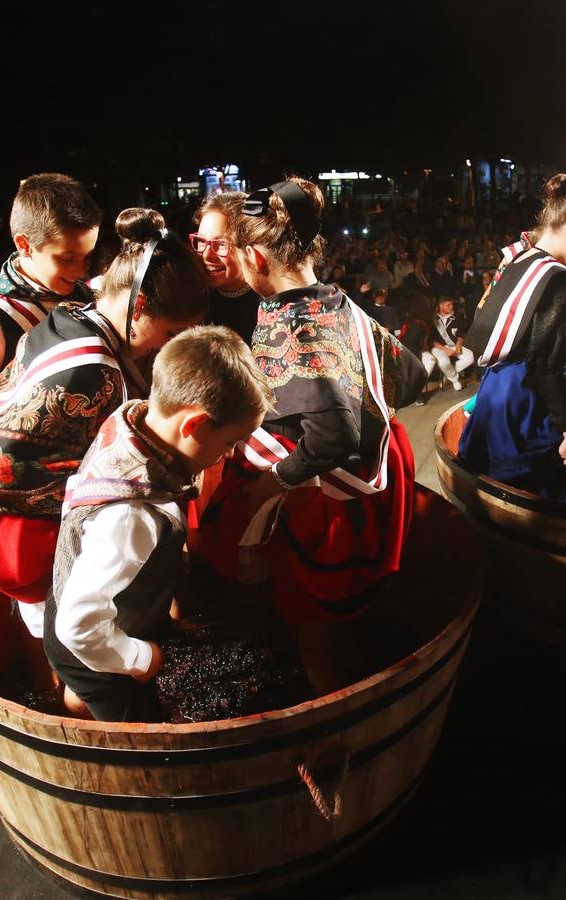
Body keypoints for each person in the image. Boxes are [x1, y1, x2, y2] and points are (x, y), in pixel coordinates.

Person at [0, 208, 209, 637]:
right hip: (14, 532)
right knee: (68, 639)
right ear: (138, 306)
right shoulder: (95, 372)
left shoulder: (74, 314)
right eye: (170, 331)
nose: (166, 346)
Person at [197, 177, 427, 633]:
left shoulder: (295, 329)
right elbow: (414, 374)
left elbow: (334, 436)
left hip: (332, 499)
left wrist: (273, 482)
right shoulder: (337, 300)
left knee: (312, 622)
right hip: (383, 471)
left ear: (256, 257)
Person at [44, 327, 273, 722]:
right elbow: (79, 626)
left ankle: (76, 700)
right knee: (138, 723)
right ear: (193, 425)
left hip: (89, 601)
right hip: (93, 645)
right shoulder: (131, 516)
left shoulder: (136, 419)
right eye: (229, 442)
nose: (230, 453)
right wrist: (140, 657)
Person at [458, 173, 566, 495]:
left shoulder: (518, 258)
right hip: (525, 403)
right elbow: (547, 366)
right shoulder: (560, 280)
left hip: (494, 395)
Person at [0, 173, 103, 400]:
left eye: (88, 257)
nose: (81, 271)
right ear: (24, 245)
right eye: (67, 259)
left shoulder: (87, 297)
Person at [191, 191, 261, 345]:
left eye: (221, 244)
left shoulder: (269, 304)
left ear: (249, 245)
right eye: (201, 241)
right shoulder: (192, 299)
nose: (207, 255)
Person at [422, 295, 474, 390]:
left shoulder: (456, 317)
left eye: (452, 304)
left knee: (470, 357)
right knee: (443, 362)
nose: (451, 307)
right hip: (438, 347)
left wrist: (458, 346)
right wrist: (445, 349)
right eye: (448, 305)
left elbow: (461, 335)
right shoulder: (432, 319)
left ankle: (447, 373)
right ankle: (454, 379)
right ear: (441, 306)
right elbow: (431, 340)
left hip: (453, 345)